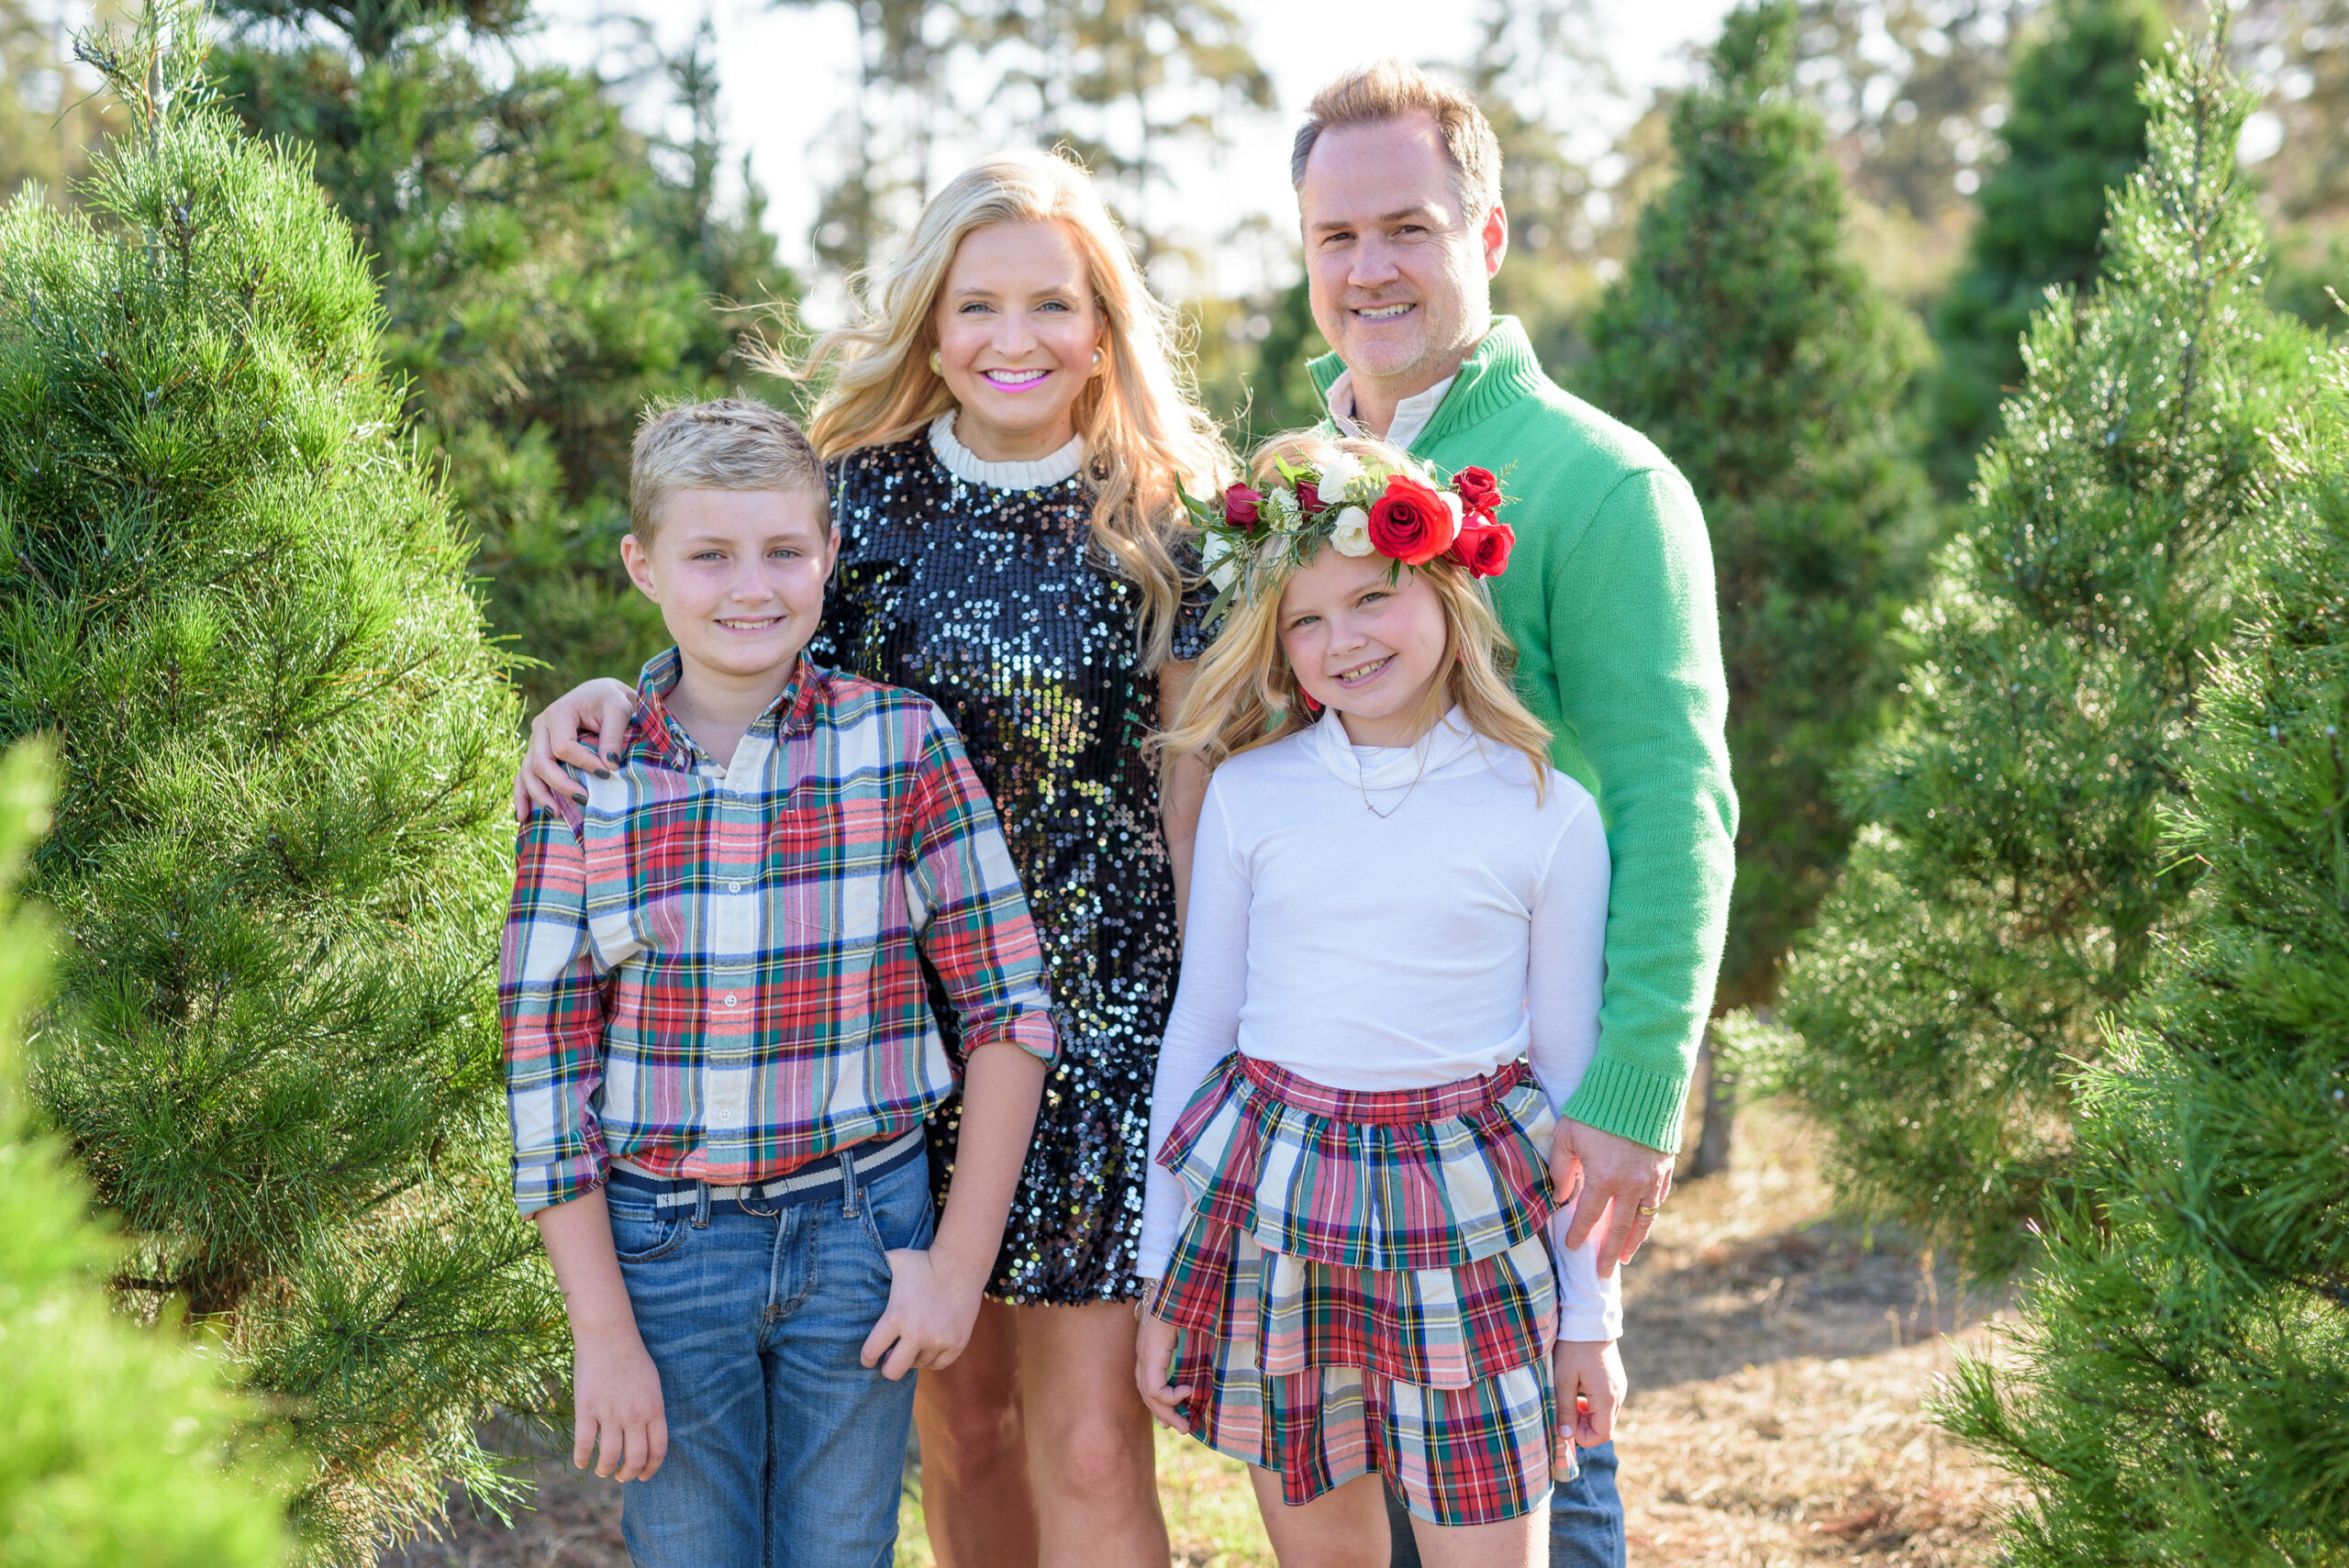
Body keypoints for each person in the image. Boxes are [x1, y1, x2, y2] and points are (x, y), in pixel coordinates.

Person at [511, 152, 1228, 1567]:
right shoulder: (869, 499)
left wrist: (1217, 1028)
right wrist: (605, 697)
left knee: (1087, 1437)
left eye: (1051, 305)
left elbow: (1194, 795)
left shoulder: (1163, 521)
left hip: (1098, 1022)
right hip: (884, 1028)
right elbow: (747, 638)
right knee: (957, 1430)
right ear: (930, 320)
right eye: (976, 305)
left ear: (1103, 324)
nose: (1012, 339)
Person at [1287, 63, 1738, 1567]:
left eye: (1406, 226)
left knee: (1528, 1494)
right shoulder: (1285, 493)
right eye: (1336, 236)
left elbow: (1678, 795)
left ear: (1488, 234)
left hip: (1517, 1109)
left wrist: (1635, 1082)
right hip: (1325, 1112)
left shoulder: (1605, 485)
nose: (1370, 268)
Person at [500, 399, 1055, 1566]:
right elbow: (543, 1067)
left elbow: (1008, 1006)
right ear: (643, 565)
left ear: (827, 554)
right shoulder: (587, 778)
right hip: (663, 1245)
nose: (749, 586)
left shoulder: (901, 744)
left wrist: (957, 1266)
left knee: (840, 1546)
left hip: (864, 1231)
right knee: (690, 1545)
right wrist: (601, 1329)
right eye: (708, 554)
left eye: (782, 551)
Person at [1133, 433, 1624, 1568]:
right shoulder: (1253, 796)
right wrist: (1163, 1274)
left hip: (1470, 1217)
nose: (1342, 638)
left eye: (1372, 597)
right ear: (1274, 640)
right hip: (1276, 1206)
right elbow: (1202, 1027)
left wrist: (1588, 1320)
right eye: (1305, 619)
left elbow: (1565, 1078)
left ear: (1445, 584)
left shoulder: (1544, 809)